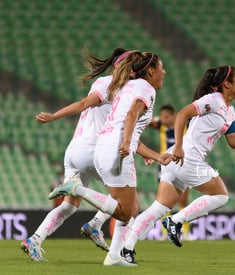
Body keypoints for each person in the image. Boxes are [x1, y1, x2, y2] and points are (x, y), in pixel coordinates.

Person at [121, 65, 235, 263]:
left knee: (159, 207)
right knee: (221, 196)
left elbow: (233, 139)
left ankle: (126, 249)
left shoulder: (230, 111)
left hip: (175, 159)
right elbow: (182, 115)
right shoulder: (213, 100)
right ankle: (176, 220)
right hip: (185, 156)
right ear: (227, 84)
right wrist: (178, 146)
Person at [49, 51, 168, 266]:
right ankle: (78, 189)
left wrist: (155, 156)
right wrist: (125, 143)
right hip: (116, 149)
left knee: (130, 208)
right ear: (150, 71)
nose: (164, 72)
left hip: (105, 147)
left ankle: (114, 256)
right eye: (161, 68)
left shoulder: (125, 87)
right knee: (124, 211)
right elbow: (132, 115)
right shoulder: (145, 88)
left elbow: (126, 124)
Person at [21, 47, 132, 262]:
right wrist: (54, 116)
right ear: (120, 66)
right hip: (95, 150)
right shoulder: (110, 85)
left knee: (69, 205)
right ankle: (96, 226)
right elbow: (83, 104)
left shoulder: (112, 86)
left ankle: (35, 239)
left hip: (75, 151)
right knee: (126, 200)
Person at [150, 104, 190, 240]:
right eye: (161, 117)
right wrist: (157, 119)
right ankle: (164, 231)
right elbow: (146, 122)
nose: (163, 120)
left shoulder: (185, 127)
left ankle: (184, 231)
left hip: (182, 164)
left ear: (174, 116)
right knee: (163, 199)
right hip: (164, 165)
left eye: (166, 117)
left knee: (183, 199)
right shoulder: (161, 126)